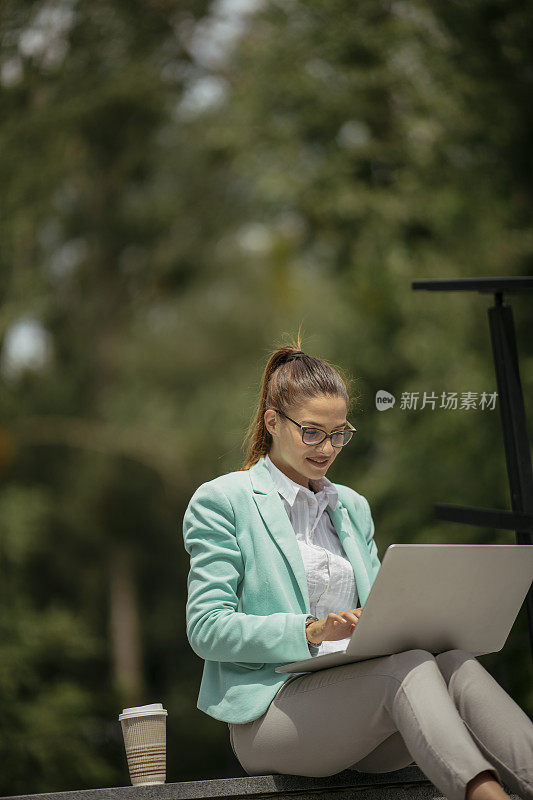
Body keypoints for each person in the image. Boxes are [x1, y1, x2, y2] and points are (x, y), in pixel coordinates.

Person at [182, 342, 533, 800]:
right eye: (311, 432)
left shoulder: (351, 506)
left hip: (366, 715)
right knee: (406, 669)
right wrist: (311, 630)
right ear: (272, 422)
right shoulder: (223, 501)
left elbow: (381, 613)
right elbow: (206, 628)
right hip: (274, 719)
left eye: (338, 434)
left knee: (454, 664)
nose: (327, 448)